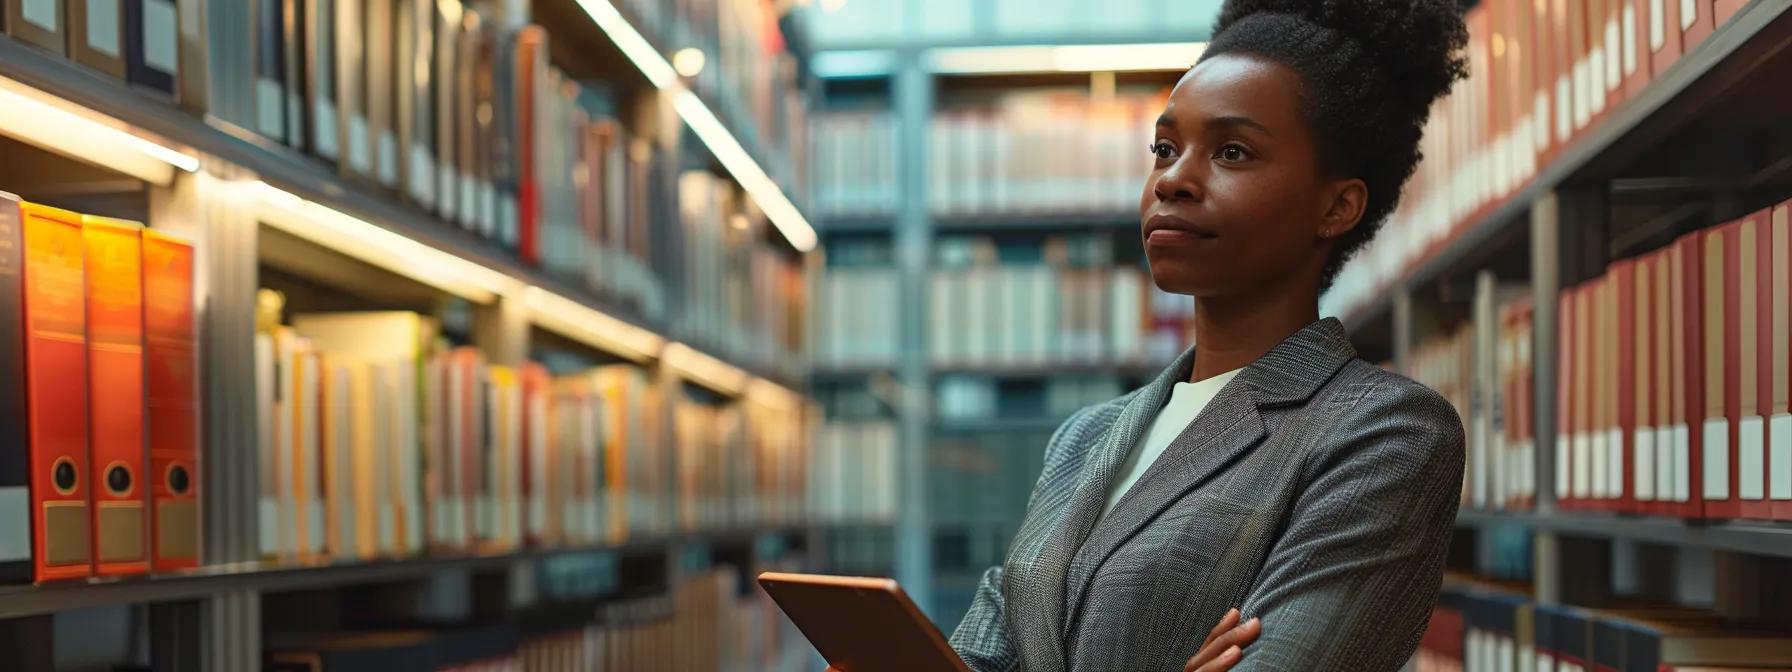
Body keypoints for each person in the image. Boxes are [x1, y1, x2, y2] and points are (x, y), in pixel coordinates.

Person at [947, 1, 1470, 670]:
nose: (1173, 179)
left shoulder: (1383, 436)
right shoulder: (1082, 441)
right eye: (1165, 148)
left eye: (1232, 151)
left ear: (1336, 206)